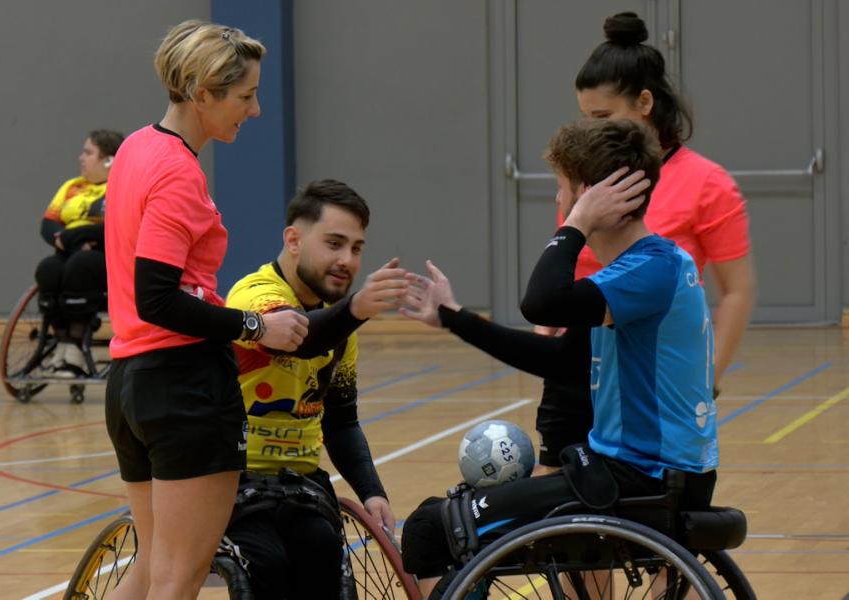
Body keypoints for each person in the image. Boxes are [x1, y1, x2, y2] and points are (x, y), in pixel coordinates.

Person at [398, 118, 719, 596]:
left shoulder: (651, 269)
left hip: (638, 482)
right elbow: (559, 359)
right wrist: (455, 317)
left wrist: (576, 222)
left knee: (428, 529)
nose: (557, 202)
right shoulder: (644, 271)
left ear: (589, 194)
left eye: (563, 190)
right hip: (641, 476)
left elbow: (541, 302)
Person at [101, 21, 309, 600]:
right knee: (177, 577)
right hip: (182, 388)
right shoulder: (176, 172)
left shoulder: (137, 150)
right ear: (202, 94)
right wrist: (256, 326)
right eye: (245, 96)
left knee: (148, 570)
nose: (257, 110)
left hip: (130, 386)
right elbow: (158, 296)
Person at [533, 11, 756, 475]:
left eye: (602, 116)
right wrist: (547, 340)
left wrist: (707, 379)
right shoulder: (588, 177)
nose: (589, 128)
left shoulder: (708, 183)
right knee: (554, 503)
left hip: (649, 371)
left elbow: (737, 290)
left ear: (645, 103)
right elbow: (570, 268)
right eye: (584, 116)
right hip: (582, 358)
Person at [223, 179, 406, 599]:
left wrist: (372, 491)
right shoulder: (255, 295)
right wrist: (356, 309)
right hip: (234, 483)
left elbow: (341, 421)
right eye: (334, 244)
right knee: (266, 564)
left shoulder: (340, 324)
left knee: (324, 555)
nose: (347, 260)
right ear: (293, 240)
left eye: (356, 249)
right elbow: (298, 337)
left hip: (300, 486)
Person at [34, 129, 123, 377]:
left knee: (80, 265)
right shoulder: (72, 186)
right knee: (48, 269)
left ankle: (75, 351)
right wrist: (74, 240)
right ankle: (61, 343)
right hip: (71, 251)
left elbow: (115, 227)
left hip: (104, 256)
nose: (80, 158)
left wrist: (77, 238)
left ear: (108, 159)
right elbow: (48, 224)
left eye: (88, 152)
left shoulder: (120, 186)